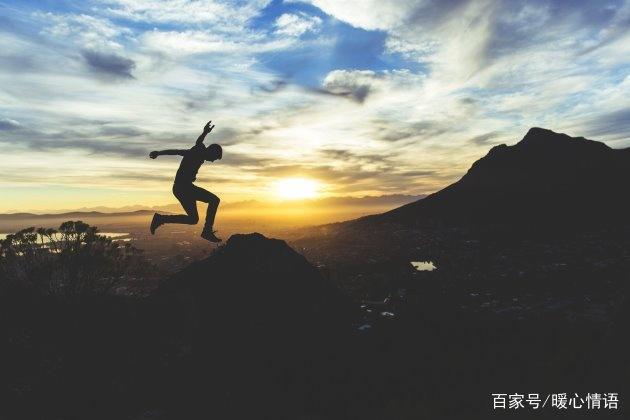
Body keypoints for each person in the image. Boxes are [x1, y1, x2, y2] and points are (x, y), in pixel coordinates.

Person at [148, 121, 223, 243]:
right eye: (214, 158)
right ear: (212, 152)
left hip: (182, 188)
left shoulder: (200, 152)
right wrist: (158, 153)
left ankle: (160, 219)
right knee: (214, 200)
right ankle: (207, 231)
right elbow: (178, 151)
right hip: (183, 188)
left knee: (193, 219)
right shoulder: (197, 152)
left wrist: (204, 133)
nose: (213, 161)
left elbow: (198, 142)